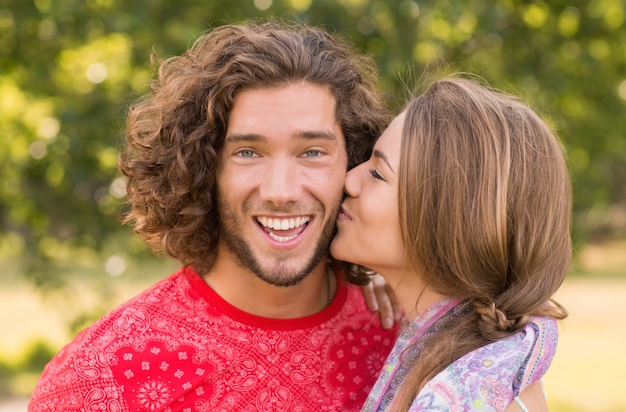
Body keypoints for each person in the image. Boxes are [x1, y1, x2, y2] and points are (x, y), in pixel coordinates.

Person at [28, 20, 400, 412]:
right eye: (248, 152)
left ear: (354, 162)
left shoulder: (408, 333)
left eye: (312, 152)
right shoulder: (98, 380)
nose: (281, 191)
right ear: (203, 168)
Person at [331, 76, 572, 411]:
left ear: (444, 217)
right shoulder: (491, 362)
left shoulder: (454, 399)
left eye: (377, 173)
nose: (349, 179)